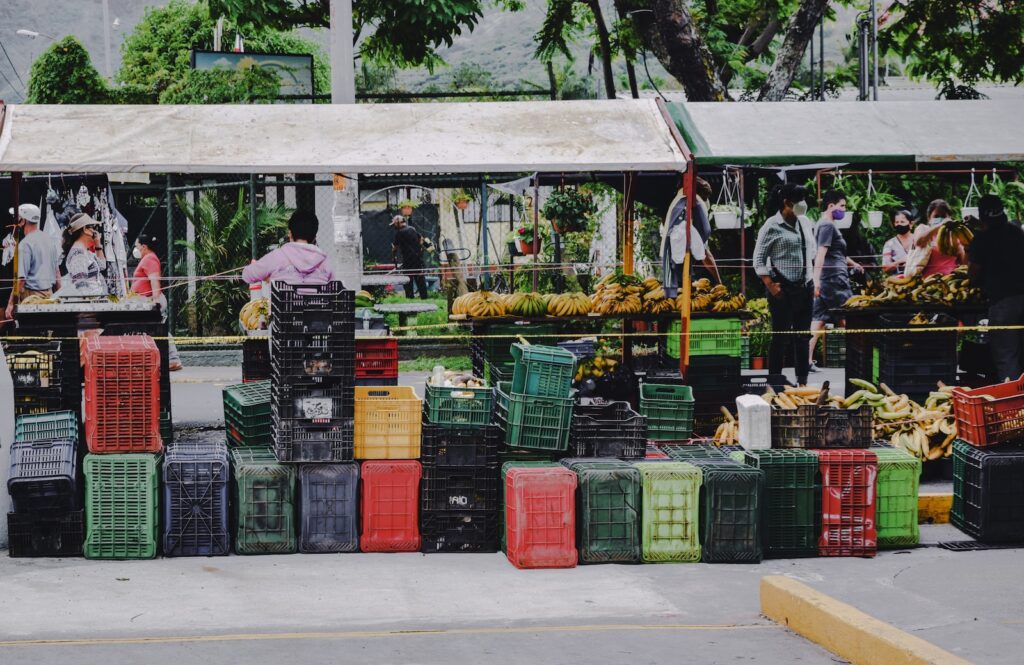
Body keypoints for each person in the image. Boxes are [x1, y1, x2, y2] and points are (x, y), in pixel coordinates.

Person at [753, 183, 816, 387]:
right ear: (786, 203)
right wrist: (770, 285)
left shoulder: (805, 222)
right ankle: (774, 382)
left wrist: (811, 279)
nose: (802, 205)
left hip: (805, 286)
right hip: (782, 290)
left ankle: (803, 382)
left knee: (802, 337)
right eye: (798, 202)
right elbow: (758, 259)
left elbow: (812, 251)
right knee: (780, 337)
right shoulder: (772, 226)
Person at [967, 194, 1024, 381]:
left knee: (1007, 355)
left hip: (1003, 302)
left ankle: (1014, 404)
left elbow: (973, 275)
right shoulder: (1017, 233)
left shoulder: (981, 239)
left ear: (982, 217)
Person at [808, 190, 863, 371]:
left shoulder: (826, 225)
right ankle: (860, 359)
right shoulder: (827, 226)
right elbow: (821, 254)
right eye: (842, 206)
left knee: (819, 320)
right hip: (834, 280)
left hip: (829, 278)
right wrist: (816, 280)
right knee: (850, 317)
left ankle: (806, 360)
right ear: (830, 206)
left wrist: (853, 263)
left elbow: (836, 253)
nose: (844, 210)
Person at [131, 234, 183, 371]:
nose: (135, 249)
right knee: (155, 329)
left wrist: (154, 302)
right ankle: (170, 359)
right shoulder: (147, 259)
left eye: (136, 246)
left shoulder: (149, 259)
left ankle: (173, 359)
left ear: (144, 246)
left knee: (159, 328)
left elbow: (155, 280)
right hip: (147, 300)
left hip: (151, 300)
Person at [242, 210, 335, 286]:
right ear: (314, 237)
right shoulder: (325, 262)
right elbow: (334, 287)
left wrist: (256, 266)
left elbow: (247, 276)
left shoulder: (278, 256)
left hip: (282, 309)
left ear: (290, 234)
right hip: (317, 308)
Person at [5, 204, 61, 319]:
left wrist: (10, 304)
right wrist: (60, 297)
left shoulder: (25, 244)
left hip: (32, 298)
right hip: (49, 296)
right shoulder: (49, 241)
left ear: (23, 220)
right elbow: (57, 274)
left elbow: (21, 279)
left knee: (31, 331)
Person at [913, 199, 964, 277]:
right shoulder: (923, 228)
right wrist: (940, 225)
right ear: (929, 218)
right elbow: (918, 242)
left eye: (943, 216)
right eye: (936, 216)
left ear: (949, 217)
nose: (940, 219)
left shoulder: (953, 234)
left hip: (949, 280)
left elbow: (962, 260)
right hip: (927, 281)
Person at [62, 213, 107, 295]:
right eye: (92, 227)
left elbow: (102, 266)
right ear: (85, 229)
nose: (94, 231)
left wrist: (98, 245)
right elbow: (82, 289)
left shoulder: (85, 251)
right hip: (90, 305)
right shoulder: (78, 255)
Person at [391, 215, 429, 299]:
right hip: (417, 258)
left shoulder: (399, 233)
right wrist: (419, 250)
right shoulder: (412, 229)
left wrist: (393, 255)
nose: (394, 226)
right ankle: (424, 297)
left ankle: (410, 297)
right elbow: (421, 239)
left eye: (394, 224)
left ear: (398, 222)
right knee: (420, 278)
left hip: (407, 259)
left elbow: (395, 248)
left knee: (408, 279)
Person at [882, 210, 916, 275]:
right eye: (897, 222)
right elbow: (885, 268)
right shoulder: (889, 244)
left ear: (911, 224)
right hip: (898, 281)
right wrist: (900, 262)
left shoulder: (918, 240)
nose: (899, 224)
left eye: (902, 222)